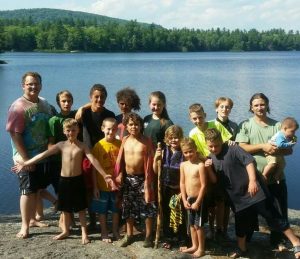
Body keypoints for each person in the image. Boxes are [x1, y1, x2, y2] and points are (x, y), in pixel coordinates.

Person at [12, 118, 117, 244]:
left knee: (81, 208)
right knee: (65, 208)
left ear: (78, 130)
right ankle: (66, 230)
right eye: (68, 130)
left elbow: (93, 160)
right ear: (64, 131)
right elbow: (43, 155)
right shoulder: (61, 145)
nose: (71, 133)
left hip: (77, 180)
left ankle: (84, 233)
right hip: (64, 181)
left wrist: (105, 175)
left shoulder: (82, 146)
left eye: (73, 130)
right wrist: (25, 163)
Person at [205, 128, 300, 259]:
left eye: (216, 145)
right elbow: (214, 180)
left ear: (221, 141)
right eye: (211, 146)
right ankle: (241, 248)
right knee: (240, 223)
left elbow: (248, 162)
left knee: (272, 215)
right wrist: (208, 167)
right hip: (237, 198)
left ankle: (296, 242)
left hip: (254, 191)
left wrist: (253, 181)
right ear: (206, 144)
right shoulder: (210, 158)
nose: (214, 148)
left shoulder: (233, 148)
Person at [235, 93, 293, 251]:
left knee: (279, 211)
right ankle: (247, 239)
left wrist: (277, 150)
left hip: (276, 178)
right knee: (249, 211)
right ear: (251, 108)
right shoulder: (245, 125)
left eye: (262, 104)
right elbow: (241, 148)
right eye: (256, 105)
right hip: (253, 178)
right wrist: (262, 146)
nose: (260, 108)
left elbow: (289, 151)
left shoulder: (278, 126)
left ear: (267, 105)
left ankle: (278, 240)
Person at [6, 72, 54, 239]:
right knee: (27, 191)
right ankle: (25, 226)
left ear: (41, 85)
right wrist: (26, 160)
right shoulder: (18, 107)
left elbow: (51, 126)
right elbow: (15, 135)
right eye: (29, 84)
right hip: (24, 157)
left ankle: (33, 219)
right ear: (23, 86)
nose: (33, 87)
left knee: (37, 189)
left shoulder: (45, 104)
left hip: (42, 155)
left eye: (36, 84)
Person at [188, 103, 232, 240]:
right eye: (194, 118)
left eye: (200, 117)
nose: (198, 121)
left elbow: (227, 141)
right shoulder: (193, 133)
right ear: (190, 119)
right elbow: (195, 152)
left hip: (221, 164)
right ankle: (211, 228)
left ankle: (221, 229)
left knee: (222, 200)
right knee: (211, 200)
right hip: (207, 166)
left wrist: (231, 143)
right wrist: (204, 159)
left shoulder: (216, 125)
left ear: (205, 116)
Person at [114, 112, 156, 248]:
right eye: (131, 124)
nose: (134, 127)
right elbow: (120, 160)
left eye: (136, 124)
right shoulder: (125, 140)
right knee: (128, 208)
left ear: (141, 126)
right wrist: (119, 174)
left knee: (148, 207)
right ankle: (129, 234)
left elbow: (152, 161)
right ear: (126, 126)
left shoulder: (147, 141)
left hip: (144, 179)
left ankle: (149, 236)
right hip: (128, 179)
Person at [80, 83, 115, 230]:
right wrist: (83, 108)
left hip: (105, 154)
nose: (99, 99)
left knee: (107, 186)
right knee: (89, 188)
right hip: (88, 155)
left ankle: (107, 218)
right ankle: (93, 219)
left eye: (102, 97)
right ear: (90, 97)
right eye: (96, 97)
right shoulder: (84, 113)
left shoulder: (110, 115)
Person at [153, 125, 187, 249]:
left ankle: (182, 238)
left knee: (179, 213)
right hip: (165, 187)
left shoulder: (184, 152)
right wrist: (156, 158)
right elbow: (156, 171)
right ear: (167, 138)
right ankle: (169, 237)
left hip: (178, 188)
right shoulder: (163, 150)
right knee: (166, 212)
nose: (174, 140)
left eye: (176, 138)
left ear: (181, 138)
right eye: (171, 138)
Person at [91, 117, 121, 242]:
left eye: (114, 129)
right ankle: (104, 231)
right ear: (103, 129)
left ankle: (114, 230)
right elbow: (93, 169)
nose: (111, 132)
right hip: (102, 186)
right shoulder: (98, 146)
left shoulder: (120, 144)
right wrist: (95, 187)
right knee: (102, 211)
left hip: (116, 185)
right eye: (108, 129)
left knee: (115, 210)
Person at [214, 97, 238, 239]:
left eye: (228, 107)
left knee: (228, 200)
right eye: (222, 107)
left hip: (230, 166)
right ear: (216, 108)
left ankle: (224, 228)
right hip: (216, 165)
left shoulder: (234, 126)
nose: (225, 109)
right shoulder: (211, 125)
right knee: (218, 200)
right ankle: (217, 228)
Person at [179, 137, 207, 258]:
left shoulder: (200, 165)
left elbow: (204, 185)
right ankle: (194, 245)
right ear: (182, 152)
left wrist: (198, 202)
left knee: (198, 225)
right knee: (190, 224)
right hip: (189, 199)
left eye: (191, 151)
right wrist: (184, 199)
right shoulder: (183, 165)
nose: (188, 154)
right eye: (185, 152)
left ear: (195, 149)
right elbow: (182, 183)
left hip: (198, 200)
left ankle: (201, 248)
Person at [262, 117, 298, 182]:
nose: (294, 133)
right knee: (272, 163)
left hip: (277, 153)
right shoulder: (280, 135)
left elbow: (288, 147)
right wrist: (289, 144)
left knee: (283, 164)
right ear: (285, 128)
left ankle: (276, 175)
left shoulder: (286, 135)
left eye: (295, 131)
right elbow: (280, 145)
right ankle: (264, 174)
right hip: (270, 153)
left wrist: (293, 140)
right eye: (292, 131)